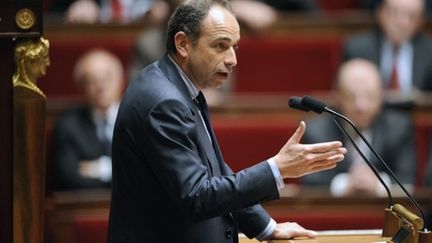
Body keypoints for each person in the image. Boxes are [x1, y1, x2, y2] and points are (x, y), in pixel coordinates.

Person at [107, 0, 347, 242]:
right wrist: (276, 168)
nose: (232, 59)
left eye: (234, 47)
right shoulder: (164, 102)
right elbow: (197, 196)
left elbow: (215, 171)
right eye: (220, 46)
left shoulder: (177, 86)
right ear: (183, 44)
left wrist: (266, 227)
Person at [301, 58, 417, 196]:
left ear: (381, 96)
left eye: (370, 96)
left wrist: (378, 184)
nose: (361, 106)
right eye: (351, 96)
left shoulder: (399, 128)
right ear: (338, 96)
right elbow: (310, 182)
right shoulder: (317, 130)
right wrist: (345, 184)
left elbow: (407, 179)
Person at [51, 49, 124, 190]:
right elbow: (68, 176)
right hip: (86, 205)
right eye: (92, 80)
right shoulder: (67, 126)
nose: (101, 87)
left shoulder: (139, 120)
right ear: (81, 86)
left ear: (121, 80)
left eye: (107, 78)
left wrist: (102, 170)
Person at [342, 0, 432, 98]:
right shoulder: (357, 49)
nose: (402, 22)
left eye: (411, 16)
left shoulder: (429, 51)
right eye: (394, 13)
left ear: (421, 21)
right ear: (380, 13)